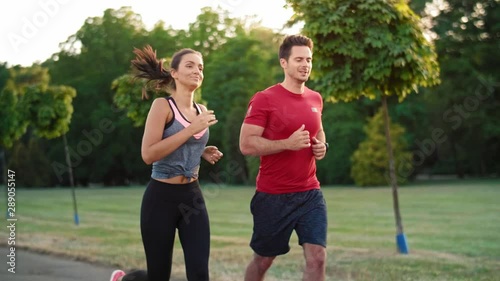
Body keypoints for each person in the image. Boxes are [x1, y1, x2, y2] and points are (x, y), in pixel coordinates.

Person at [110, 45, 223, 281]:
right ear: (175, 73)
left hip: (192, 196)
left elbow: (183, 143)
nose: (197, 71)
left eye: (200, 67)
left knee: (200, 272)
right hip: (161, 197)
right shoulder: (162, 106)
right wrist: (192, 130)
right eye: (190, 66)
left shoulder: (200, 110)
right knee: (159, 276)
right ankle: (124, 279)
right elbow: (148, 154)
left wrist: (200, 150)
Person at [239, 34, 329, 281]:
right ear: (284, 63)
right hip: (273, 196)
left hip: (310, 192)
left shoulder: (315, 98)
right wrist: (287, 144)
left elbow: (318, 130)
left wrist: (322, 145)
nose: (306, 65)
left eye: (309, 60)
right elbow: (246, 144)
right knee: (263, 260)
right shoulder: (264, 99)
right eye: (299, 59)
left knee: (318, 257)